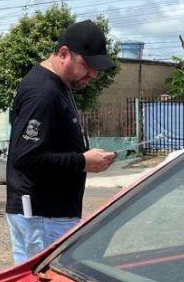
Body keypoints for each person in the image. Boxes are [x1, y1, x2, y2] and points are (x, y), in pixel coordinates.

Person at [6, 19, 117, 263]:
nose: (93, 74)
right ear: (64, 53)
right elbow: (25, 157)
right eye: (87, 65)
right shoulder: (42, 92)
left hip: (47, 214)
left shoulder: (58, 85)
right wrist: (81, 161)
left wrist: (84, 158)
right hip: (42, 215)